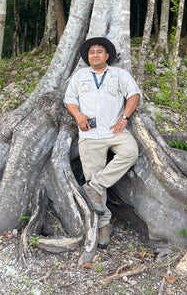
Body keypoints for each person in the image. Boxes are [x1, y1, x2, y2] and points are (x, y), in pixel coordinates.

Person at [64, 37, 141, 249]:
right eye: (91, 52)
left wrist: (124, 117)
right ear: (87, 57)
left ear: (107, 55)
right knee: (93, 175)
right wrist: (78, 115)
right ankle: (104, 225)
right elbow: (69, 99)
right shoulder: (80, 76)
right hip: (89, 134)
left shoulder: (119, 74)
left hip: (115, 130)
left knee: (130, 152)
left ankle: (94, 187)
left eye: (99, 51)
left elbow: (134, 95)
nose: (95, 55)